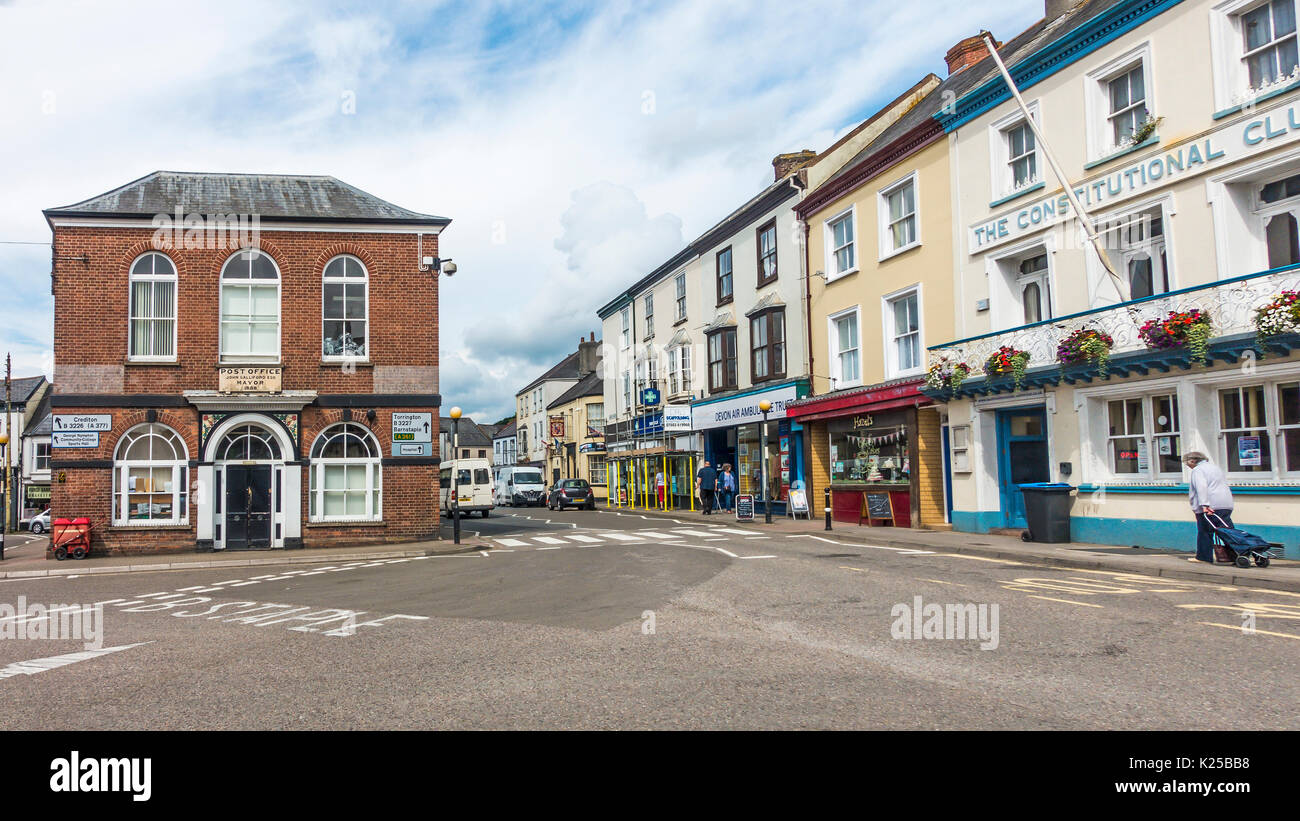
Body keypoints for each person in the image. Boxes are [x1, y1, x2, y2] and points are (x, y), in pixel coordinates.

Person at [1186, 452, 1235, 564]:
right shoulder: (1215, 468)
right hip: (1225, 503)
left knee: (1205, 531)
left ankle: (1203, 557)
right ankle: (1237, 554)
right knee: (1228, 531)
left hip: (1210, 505)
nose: (1188, 466)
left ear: (1193, 461)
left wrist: (1205, 505)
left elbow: (1201, 487)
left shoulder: (1198, 470)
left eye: (1188, 463)